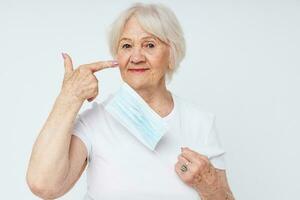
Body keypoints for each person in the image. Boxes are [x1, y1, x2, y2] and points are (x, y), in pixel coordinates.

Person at [26, 3, 235, 200]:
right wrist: (69, 98)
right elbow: (43, 185)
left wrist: (211, 187)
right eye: (126, 45)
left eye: (149, 45)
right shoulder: (94, 121)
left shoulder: (200, 122)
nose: (136, 57)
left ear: (171, 54)